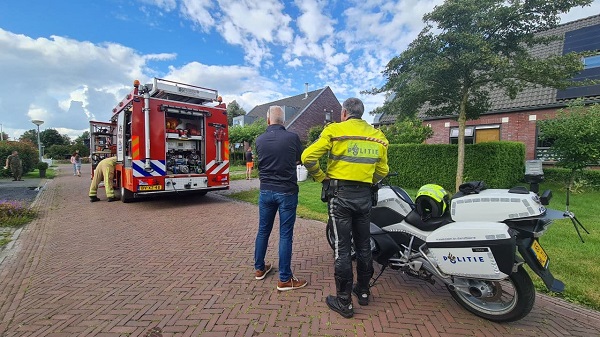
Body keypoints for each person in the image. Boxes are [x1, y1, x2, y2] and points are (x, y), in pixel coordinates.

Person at [301, 97, 389, 318]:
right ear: (362, 113)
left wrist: (323, 178)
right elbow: (383, 170)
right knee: (363, 247)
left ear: (344, 113)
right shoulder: (378, 136)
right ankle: (364, 291)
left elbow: (307, 157)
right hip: (364, 197)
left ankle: (344, 302)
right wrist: (369, 181)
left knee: (342, 250)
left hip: (340, 196)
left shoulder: (335, 131)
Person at [254, 105, 307, 291]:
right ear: (283, 121)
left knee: (263, 230)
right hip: (287, 191)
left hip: (266, 191)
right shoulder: (292, 138)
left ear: (268, 120)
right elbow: (299, 159)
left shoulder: (259, 140)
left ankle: (259, 269)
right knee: (285, 234)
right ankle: (284, 278)